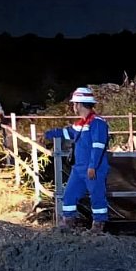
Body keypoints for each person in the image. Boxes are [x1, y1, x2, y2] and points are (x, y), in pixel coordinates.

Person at [45, 87, 110, 234]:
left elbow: (98, 146)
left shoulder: (97, 123)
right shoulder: (81, 124)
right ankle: (68, 223)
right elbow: (68, 132)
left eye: (74, 104)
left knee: (97, 196)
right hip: (79, 168)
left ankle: (98, 226)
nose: (73, 107)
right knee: (69, 195)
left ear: (79, 104)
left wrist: (92, 166)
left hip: (94, 168)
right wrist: (50, 133)